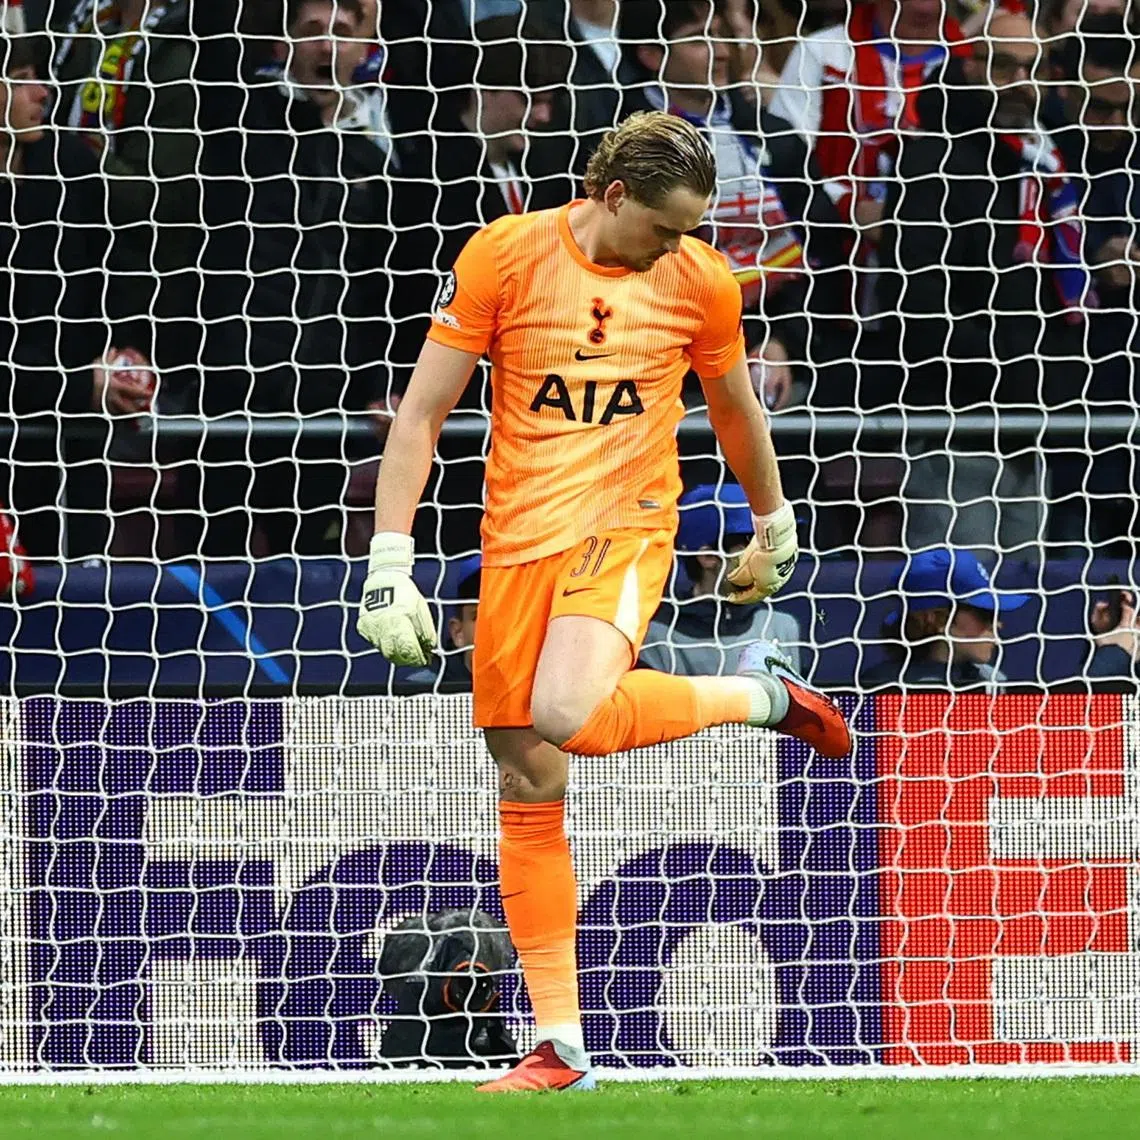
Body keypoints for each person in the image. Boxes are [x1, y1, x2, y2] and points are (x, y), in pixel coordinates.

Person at [355, 110, 852, 1092]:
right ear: (612, 195)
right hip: (516, 543)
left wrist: (775, 522)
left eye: (692, 228)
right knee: (529, 783)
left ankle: (758, 694)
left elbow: (736, 407)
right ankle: (561, 1047)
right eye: (666, 227)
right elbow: (421, 411)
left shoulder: (702, 282)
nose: (683, 245)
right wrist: (388, 558)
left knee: (566, 713)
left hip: (627, 523)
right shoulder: (504, 256)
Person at [198, 0, 417, 556]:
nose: (326, 45)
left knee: (308, 570)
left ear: (363, 50)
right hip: (229, 394)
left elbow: (379, 287)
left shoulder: (375, 159)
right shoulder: (240, 125)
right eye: (312, 32)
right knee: (212, 554)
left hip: (322, 401)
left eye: (341, 33)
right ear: (282, 48)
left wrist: (377, 385)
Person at [878, 9, 1090, 557]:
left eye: (1033, 69)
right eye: (1005, 67)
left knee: (1028, 621)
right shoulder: (931, 159)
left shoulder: (1047, 161)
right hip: (956, 432)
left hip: (1031, 431)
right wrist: (1019, 370)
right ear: (971, 68)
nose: (1023, 84)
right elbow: (917, 303)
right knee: (954, 616)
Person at [0, 24, 155, 557]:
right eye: (22, 80)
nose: (43, 92)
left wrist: (125, 354)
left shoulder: (72, 171)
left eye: (40, 76)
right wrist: (77, 387)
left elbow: (111, 278)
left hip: (69, 460)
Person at [640, 484, 803, 675]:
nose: (771, 555)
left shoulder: (781, 626)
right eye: (756, 543)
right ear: (708, 556)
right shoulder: (656, 635)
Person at [860, 547, 1030, 691]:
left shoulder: (991, 681)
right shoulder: (882, 687)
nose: (998, 624)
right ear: (938, 619)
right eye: (985, 614)